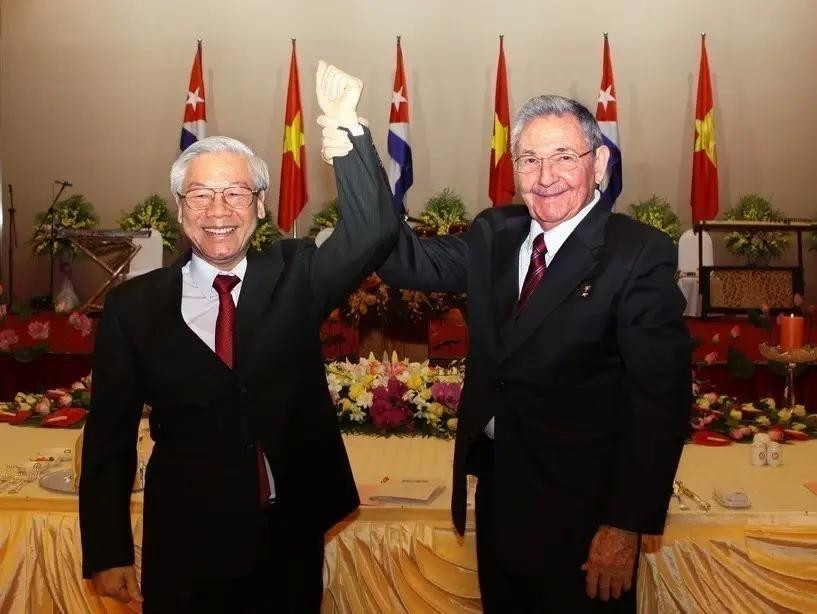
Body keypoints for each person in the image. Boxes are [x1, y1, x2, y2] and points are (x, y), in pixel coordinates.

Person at [325, 94, 691, 612]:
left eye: (565, 156)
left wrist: (624, 525)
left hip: (584, 519)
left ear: (600, 163)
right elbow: (403, 261)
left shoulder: (636, 253)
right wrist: (354, 149)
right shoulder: (495, 233)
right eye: (530, 159)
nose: (546, 176)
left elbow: (661, 402)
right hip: (500, 501)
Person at [79, 62, 397, 613]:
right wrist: (107, 550)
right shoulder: (134, 307)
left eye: (235, 193)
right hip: (184, 547)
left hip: (288, 537)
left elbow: (373, 231)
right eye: (200, 196)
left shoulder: (297, 274)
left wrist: (346, 130)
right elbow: (109, 438)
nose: (218, 212)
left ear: (260, 205)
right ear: (180, 210)